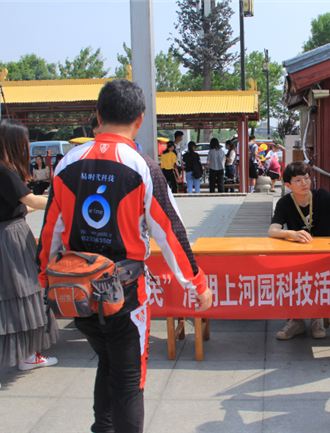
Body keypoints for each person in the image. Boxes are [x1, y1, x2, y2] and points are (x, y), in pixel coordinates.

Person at [37, 79, 212, 433]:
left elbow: (49, 233)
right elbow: (171, 234)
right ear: (140, 119)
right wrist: (197, 285)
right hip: (124, 296)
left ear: (98, 115)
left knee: (107, 361)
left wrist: (44, 281)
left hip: (77, 293)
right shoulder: (143, 167)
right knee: (131, 380)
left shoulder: (67, 163)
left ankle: (102, 429)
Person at [0, 119, 59, 393]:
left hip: (15, 234)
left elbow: (21, 207)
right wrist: (65, 200)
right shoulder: (0, 169)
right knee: (11, 299)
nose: (26, 146)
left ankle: (28, 354)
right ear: (11, 141)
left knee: (30, 293)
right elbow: (30, 201)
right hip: (9, 239)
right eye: (23, 141)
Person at [269, 161, 330, 340]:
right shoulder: (285, 203)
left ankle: (317, 318)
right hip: (298, 257)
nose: (304, 183)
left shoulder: (321, 196)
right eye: (298, 180)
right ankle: (296, 321)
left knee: (321, 280)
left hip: (325, 256)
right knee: (290, 278)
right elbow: (272, 230)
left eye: (307, 178)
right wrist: (291, 233)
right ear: (288, 185)